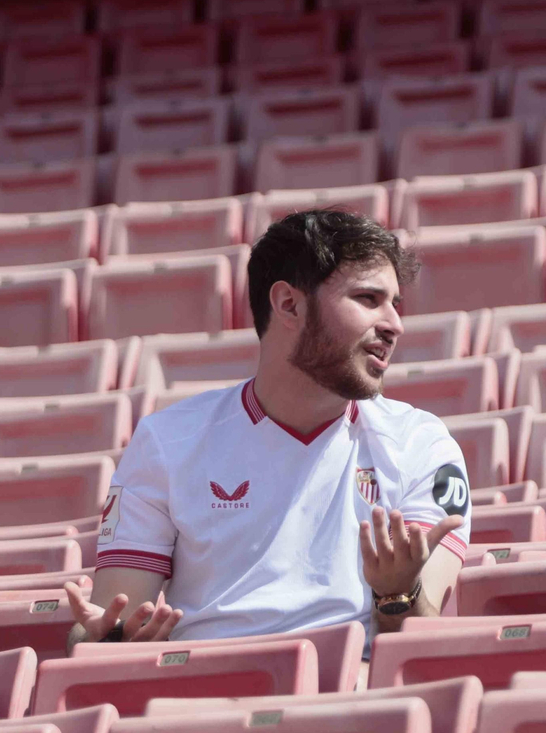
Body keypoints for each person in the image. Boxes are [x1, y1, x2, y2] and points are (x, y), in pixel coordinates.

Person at [65, 210, 472, 648]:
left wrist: (398, 593)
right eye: (369, 299)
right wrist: (106, 642)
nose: (395, 324)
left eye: (396, 303)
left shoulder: (421, 444)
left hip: (352, 697)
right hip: (199, 693)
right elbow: (109, 626)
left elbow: (421, 645)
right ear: (289, 305)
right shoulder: (166, 442)